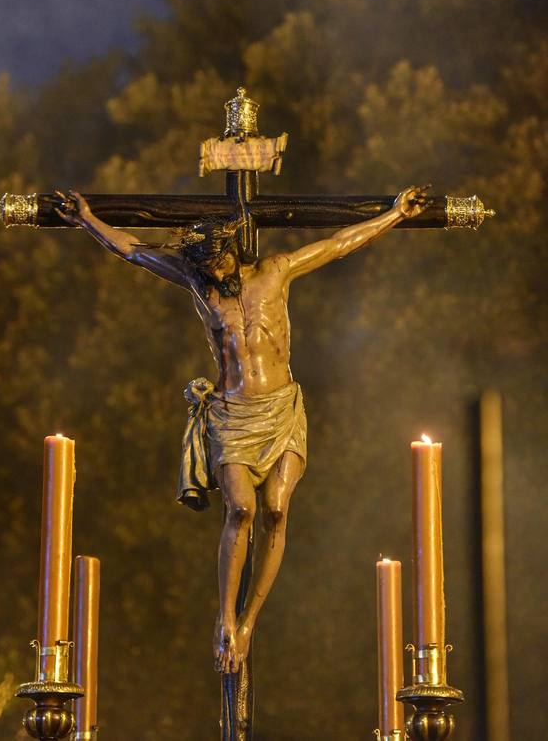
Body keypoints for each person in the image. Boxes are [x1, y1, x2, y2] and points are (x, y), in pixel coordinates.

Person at [56, 184, 430, 673]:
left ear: (232, 254)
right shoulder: (198, 283)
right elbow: (132, 249)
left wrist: (395, 214)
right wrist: (87, 219)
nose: (213, 274)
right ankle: (225, 617)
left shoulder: (274, 273)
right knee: (240, 507)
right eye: (205, 268)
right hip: (233, 413)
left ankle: (249, 620)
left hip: (280, 408)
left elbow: (339, 244)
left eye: (218, 265)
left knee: (275, 509)